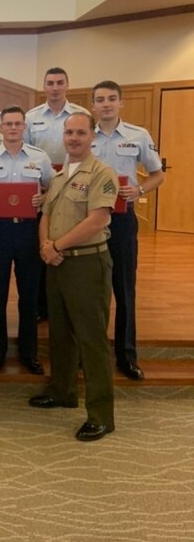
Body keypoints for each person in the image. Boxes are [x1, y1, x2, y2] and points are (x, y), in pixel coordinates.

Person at [30, 112, 118, 442]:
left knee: (91, 339)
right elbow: (46, 214)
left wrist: (56, 246)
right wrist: (46, 246)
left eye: (81, 132)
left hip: (86, 264)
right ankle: (62, 391)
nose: (74, 138)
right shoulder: (59, 176)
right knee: (60, 333)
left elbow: (97, 220)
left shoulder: (102, 173)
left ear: (92, 136)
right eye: (69, 133)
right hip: (57, 263)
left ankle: (101, 415)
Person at [91, 80, 164, 380]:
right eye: (100, 99)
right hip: (89, 220)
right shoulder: (83, 135)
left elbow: (158, 174)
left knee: (123, 288)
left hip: (122, 220)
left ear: (121, 103)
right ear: (93, 105)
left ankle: (126, 355)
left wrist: (140, 190)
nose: (106, 104)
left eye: (111, 98)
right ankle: (91, 354)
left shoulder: (138, 135)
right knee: (92, 291)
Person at [0, 105, 54, 374]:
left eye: (17, 124)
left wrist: (43, 198)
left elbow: (53, 187)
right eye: (7, 124)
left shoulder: (40, 157)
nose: (12, 128)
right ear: (0, 128)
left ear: (24, 127)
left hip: (29, 231)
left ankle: (28, 353)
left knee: (29, 295)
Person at [24, 67, 90, 321]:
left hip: (74, 182)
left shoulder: (80, 115)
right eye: (50, 83)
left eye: (59, 82)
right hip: (41, 186)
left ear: (67, 85)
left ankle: (69, 303)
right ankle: (43, 306)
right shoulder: (31, 117)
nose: (54, 87)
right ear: (44, 86)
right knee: (42, 242)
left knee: (69, 238)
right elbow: (27, 152)